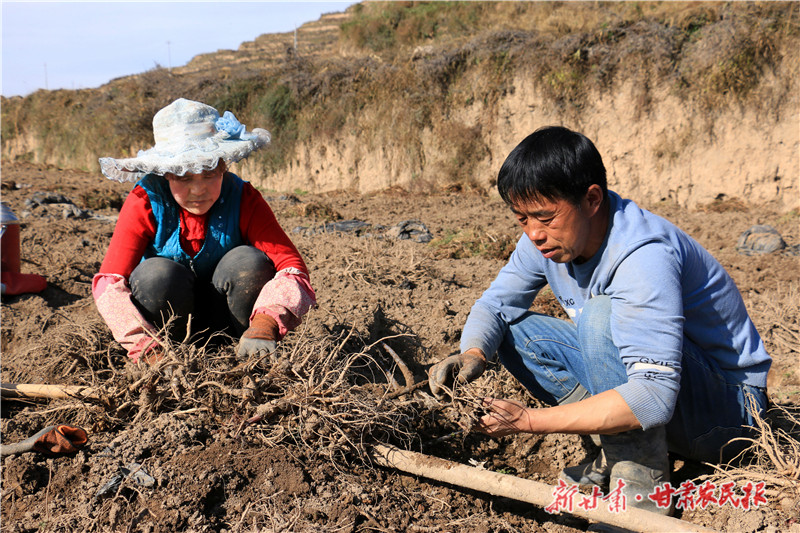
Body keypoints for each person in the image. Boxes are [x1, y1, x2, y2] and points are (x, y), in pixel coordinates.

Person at [428, 126, 771, 514]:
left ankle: (640, 489)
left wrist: (530, 421)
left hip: (730, 417)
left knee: (599, 317)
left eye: (545, 217)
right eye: (521, 218)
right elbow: (494, 306)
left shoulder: (643, 256)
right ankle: (610, 449)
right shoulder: (544, 242)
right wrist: (472, 353)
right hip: (675, 398)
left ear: (591, 199)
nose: (534, 234)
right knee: (512, 332)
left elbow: (655, 397)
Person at [94, 98, 315, 364]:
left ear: (223, 166)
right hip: (167, 332)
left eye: (209, 173)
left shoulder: (243, 197)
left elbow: (292, 267)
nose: (198, 190)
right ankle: (169, 355)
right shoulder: (145, 200)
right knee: (156, 275)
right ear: (167, 174)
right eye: (185, 178)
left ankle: (249, 355)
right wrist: (145, 347)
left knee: (248, 261)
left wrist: (266, 324)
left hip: (232, 324)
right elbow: (109, 282)